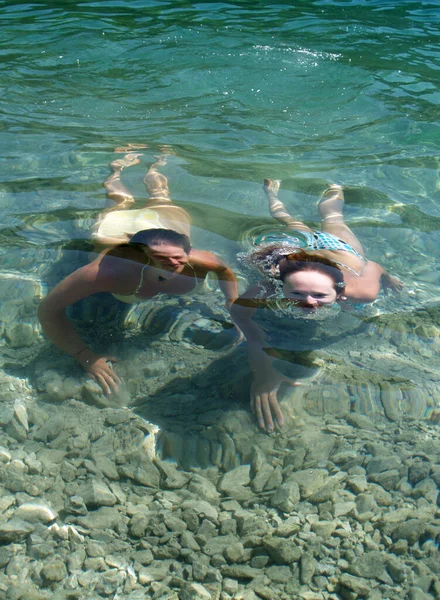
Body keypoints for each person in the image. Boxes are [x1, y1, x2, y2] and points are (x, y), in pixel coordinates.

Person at [38, 149, 239, 396]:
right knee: (118, 201)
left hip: (160, 226)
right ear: (142, 257)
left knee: (160, 196)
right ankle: (116, 168)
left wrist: (233, 303)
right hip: (120, 230)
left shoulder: (202, 261)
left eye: (179, 257)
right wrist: (86, 357)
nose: (174, 264)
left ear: (188, 251)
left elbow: (225, 271)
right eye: (163, 260)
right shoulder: (106, 272)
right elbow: (48, 309)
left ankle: (156, 164)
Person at [231, 179, 403, 433]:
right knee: (283, 217)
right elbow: (238, 312)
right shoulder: (270, 286)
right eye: (297, 293)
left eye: (321, 296)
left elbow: (374, 267)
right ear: (282, 286)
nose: (309, 303)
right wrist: (261, 366)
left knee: (333, 217)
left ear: (338, 291)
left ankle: (336, 186)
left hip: (341, 251)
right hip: (304, 256)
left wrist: (387, 278)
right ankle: (271, 190)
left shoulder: (362, 292)